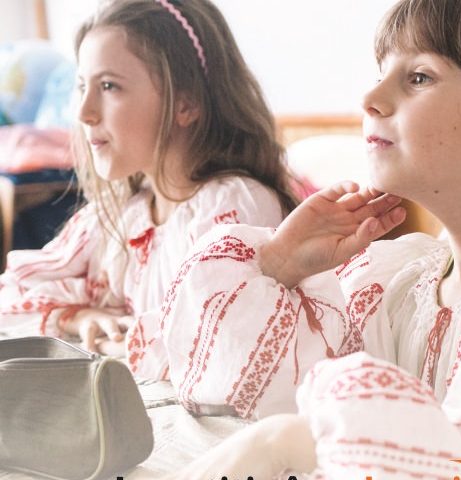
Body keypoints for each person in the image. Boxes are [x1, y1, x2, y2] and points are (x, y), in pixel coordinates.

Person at [160, 0, 461, 478]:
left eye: (419, 77)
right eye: (380, 73)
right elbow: (238, 398)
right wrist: (279, 263)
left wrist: (297, 442)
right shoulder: (399, 283)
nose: (369, 97)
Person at [0, 0, 297, 364]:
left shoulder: (233, 208)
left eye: (109, 86)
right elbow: (11, 292)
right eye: (81, 86)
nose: (83, 112)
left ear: (185, 104)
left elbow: (213, 344)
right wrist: (77, 316)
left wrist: (114, 343)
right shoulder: (119, 216)